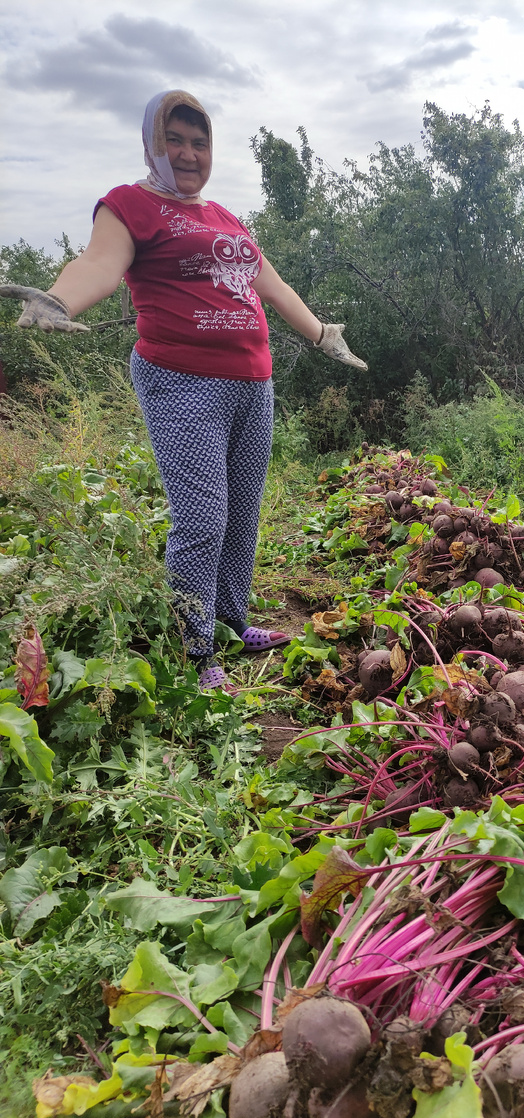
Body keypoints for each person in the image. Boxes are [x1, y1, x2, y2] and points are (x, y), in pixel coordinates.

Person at [1, 90, 366, 695]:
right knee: (202, 514)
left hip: (253, 381)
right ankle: (195, 647)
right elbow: (99, 262)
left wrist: (323, 334)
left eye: (200, 142)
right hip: (181, 379)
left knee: (243, 508)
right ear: (153, 143)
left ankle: (230, 618)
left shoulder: (223, 216)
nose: (189, 153)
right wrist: (58, 299)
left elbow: (267, 281)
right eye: (176, 139)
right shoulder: (129, 206)